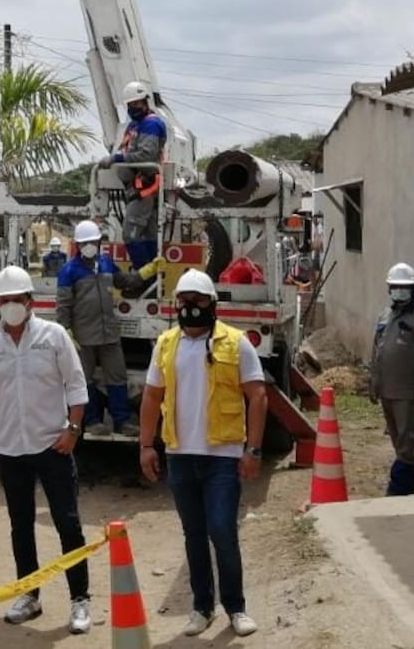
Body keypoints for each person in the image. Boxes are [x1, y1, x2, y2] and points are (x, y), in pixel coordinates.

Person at [138, 269, 266, 639]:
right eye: (183, 300)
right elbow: (152, 396)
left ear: (212, 303)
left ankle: (236, 607)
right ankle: (202, 607)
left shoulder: (236, 343)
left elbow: (257, 396)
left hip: (222, 456)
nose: (189, 306)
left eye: (197, 300)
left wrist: (253, 449)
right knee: (193, 533)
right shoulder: (166, 345)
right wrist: (146, 446)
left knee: (222, 530)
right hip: (180, 454)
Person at [0, 265, 92, 633]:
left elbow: (76, 386)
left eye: (16, 299)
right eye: (4, 300)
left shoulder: (54, 336)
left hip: (53, 446)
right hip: (10, 449)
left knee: (67, 523)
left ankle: (80, 599)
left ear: (30, 301)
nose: (10, 306)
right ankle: (29, 595)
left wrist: (72, 430)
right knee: (20, 526)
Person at [57, 220, 163, 435]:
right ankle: (92, 421)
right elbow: (64, 304)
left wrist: (147, 272)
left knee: (117, 376)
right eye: (84, 243)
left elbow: (124, 281)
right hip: (83, 336)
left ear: (99, 242)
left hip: (109, 333)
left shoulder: (106, 263)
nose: (89, 246)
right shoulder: (69, 271)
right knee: (84, 380)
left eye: (92, 242)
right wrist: (65, 330)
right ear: (78, 245)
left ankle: (122, 421)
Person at [369, 262, 414, 496]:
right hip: (387, 391)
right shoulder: (385, 315)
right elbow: (377, 349)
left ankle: (399, 489)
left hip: (408, 394)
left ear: (413, 289)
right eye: (395, 287)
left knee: (409, 443)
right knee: (398, 441)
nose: (399, 291)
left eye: (404, 287)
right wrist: (374, 382)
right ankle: (412, 486)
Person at [97, 80, 168, 270]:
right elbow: (127, 149)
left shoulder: (151, 124)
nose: (133, 108)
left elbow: (146, 155)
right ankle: (152, 276)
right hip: (134, 186)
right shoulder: (134, 125)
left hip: (145, 186)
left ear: (145, 102)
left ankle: (144, 277)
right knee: (148, 234)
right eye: (130, 104)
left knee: (130, 235)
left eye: (136, 103)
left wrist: (116, 159)